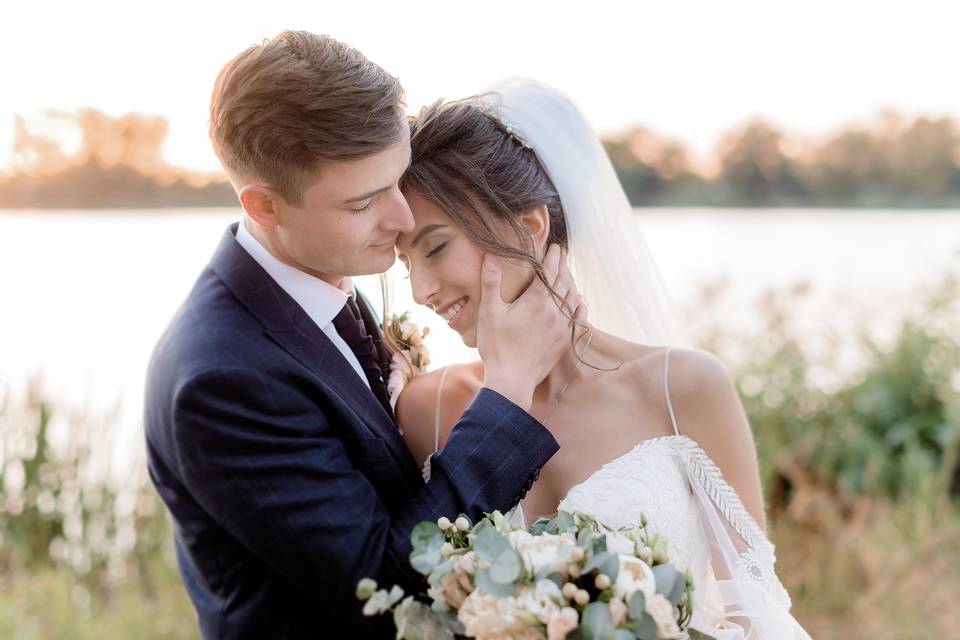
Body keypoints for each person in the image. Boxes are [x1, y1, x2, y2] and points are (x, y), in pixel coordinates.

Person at [143, 34, 581, 639]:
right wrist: (506, 391)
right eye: (364, 202)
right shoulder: (224, 378)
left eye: (397, 179)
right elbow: (386, 582)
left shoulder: (317, 279)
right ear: (265, 206)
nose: (402, 219)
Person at [393, 79, 812, 638]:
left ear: (531, 226)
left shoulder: (683, 387)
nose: (421, 289)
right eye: (404, 263)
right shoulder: (429, 408)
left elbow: (754, 615)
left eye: (436, 246)